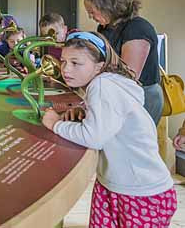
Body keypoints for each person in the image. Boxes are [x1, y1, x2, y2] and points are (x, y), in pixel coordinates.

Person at [42, 31, 176, 228]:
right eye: (63, 61)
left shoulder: (102, 85)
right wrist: (84, 111)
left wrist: (56, 124)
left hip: (140, 192)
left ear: (98, 66)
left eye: (76, 63)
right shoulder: (108, 82)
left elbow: (94, 137)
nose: (65, 69)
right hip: (115, 185)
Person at [83, 0, 163, 125]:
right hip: (117, 91)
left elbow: (128, 76)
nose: (90, 16)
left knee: (133, 145)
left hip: (142, 95)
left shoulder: (137, 28)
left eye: (92, 12)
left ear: (107, 6)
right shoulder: (104, 28)